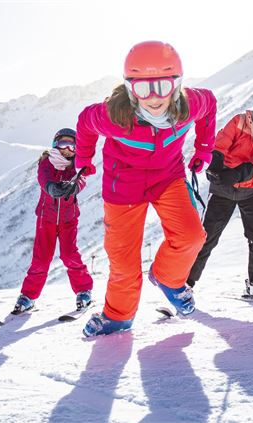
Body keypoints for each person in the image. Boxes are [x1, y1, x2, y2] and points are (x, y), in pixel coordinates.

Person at [74, 41, 217, 337]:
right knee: (124, 260)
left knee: (191, 236)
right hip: (123, 185)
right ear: (129, 88)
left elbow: (211, 103)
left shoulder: (190, 104)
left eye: (163, 86)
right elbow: (85, 123)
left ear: (177, 84)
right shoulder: (113, 115)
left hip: (167, 177)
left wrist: (204, 148)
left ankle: (168, 277)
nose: (153, 98)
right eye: (142, 88)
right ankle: (118, 316)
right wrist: (83, 159)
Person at [187, 87, 253, 299]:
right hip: (223, 188)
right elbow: (222, 142)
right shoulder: (241, 121)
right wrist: (215, 165)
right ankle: (184, 282)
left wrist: (238, 174)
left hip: (251, 189)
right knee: (207, 237)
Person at [13, 128, 94, 314]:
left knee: (69, 255)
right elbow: (43, 178)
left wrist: (73, 188)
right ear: (55, 145)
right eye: (62, 144)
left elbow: (81, 179)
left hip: (68, 219)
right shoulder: (47, 162)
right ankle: (28, 296)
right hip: (46, 219)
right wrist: (51, 187)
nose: (67, 149)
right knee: (41, 259)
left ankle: (84, 291)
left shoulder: (76, 164)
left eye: (72, 145)